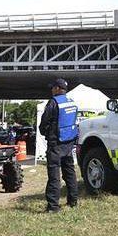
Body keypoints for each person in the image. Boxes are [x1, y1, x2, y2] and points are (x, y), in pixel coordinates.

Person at [39, 78, 79, 212]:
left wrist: (44, 132)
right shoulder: (72, 102)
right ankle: (73, 201)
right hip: (69, 141)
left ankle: (53, 207)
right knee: (70, 173)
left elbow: (44, 122)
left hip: (56, 143)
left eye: (53, 87)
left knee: (54, 175)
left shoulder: (53, 102)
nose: (51, 90)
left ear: (57, 89)